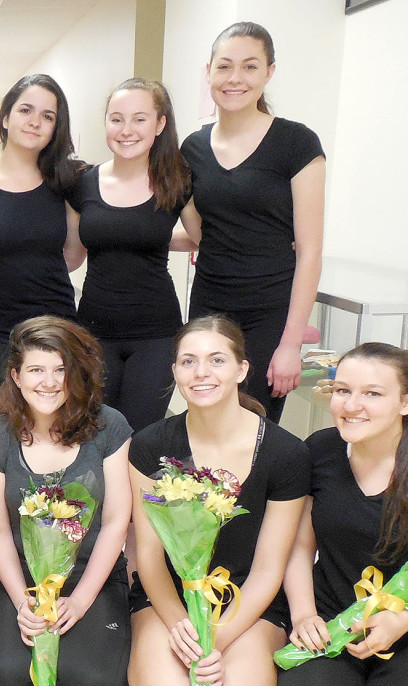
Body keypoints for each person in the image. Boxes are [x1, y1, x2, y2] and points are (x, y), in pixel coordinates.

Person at [128, 314, 309, 686]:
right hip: (166, 598)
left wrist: (218, 639)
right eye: (187, 361)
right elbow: (148, 556)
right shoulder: (151, 444)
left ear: (242, 369)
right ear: (174, 372)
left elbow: (270, 567)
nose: (201, 373)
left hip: (248, 604)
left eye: (216, 360)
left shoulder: (287, 453)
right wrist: (181, 626)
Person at [0, 316, 131, 686]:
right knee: (1, 676)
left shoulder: (109, 427)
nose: (50, 381)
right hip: (23, 577)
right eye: (37, 370)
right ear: (17, 375)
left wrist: (80, 601)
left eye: (61, 370)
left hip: (91, 574)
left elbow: (114, 524)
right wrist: (21, 602)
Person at [274, 343, 408, 686]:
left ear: (404, 402)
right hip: (333, 616)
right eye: (342, 390)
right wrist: (304, 613)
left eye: (373, 394)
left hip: (402, 623)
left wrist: (401, 620)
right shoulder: (321, 449)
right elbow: (298, 547)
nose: (352, 406)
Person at [180, 22, 325, 423]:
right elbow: (200, 231)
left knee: (256, 426)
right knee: (206, 416)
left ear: (269, 72)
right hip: (209, 303)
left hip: (270, 309)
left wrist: (290, 344)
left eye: (249, 67)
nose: (235, 79)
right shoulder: (192, 148)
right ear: (208, 71)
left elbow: (310, 250)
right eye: (224, 67)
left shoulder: (297, 143)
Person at [0, 74, 86, 420]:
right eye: (26, 110)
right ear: (6, 118)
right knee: (0, 436)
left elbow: (72, 256)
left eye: (48, 116)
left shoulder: (66, 183)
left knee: (57, 432)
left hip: (55, 331)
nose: (35, 122)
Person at [66, 78, 190, 433]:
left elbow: (201, 237)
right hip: (93, 331)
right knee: (94, 434)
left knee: (141, 436)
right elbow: (72, 255)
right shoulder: (83, 182)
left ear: (160, 123)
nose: (126, 130)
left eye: (139, 119)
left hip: (156, 333)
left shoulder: (176, 181)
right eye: (116, 118)